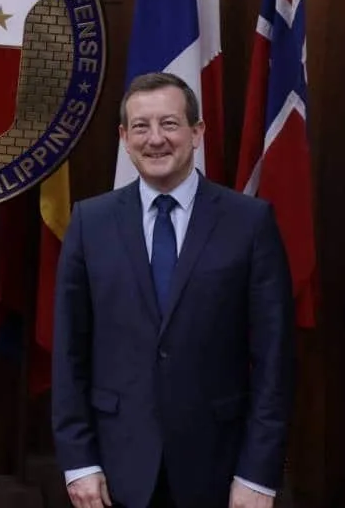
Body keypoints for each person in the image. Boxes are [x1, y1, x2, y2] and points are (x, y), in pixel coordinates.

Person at [51, 72, 295, 508]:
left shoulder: (249, 223)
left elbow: (274, 359)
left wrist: (258, 475)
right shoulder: (90, 223)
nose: (155, 139)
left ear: (196, 132)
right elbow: (69, 351)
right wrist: (79, 462)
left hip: (219, 469)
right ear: (124, 138)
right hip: (114, 470)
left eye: (169, 124)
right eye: (141, 127)